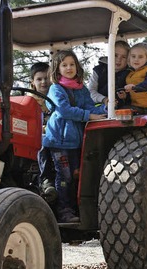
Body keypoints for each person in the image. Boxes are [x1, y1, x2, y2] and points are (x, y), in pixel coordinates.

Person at [43, 50, 106, 223]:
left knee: (77, 174)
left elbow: (91, 107)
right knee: (64, 176)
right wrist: (88, 116)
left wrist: (106, 109)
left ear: (77, 67)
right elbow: (64, 110)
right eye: (64, 65)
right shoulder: (56, 89)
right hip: (60, 140)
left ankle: (76, 208)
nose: (69, 68)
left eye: (72, 64)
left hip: (76, 141)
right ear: (57, 69)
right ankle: (63, 210)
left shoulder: (81, 89)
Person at [29, 62, 57, 202]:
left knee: (44, 141)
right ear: (32, 82)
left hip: (53, 135)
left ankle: (47, 181)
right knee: (41, 140)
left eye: (47, 78)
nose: (44, 82)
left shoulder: (57, 97)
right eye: (39, 79)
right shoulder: (29, 101)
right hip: (34, 135)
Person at [87, 40, 131, 110]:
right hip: (100, 108)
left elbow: (135, 93)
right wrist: (104, 99)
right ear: (110, 54)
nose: (118, 59)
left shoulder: (131, 73)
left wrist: (126, 96)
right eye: (115, 55)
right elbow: (91, 91)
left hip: (123, 110)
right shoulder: (99, 70)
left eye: (123, 57)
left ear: (128, 59)